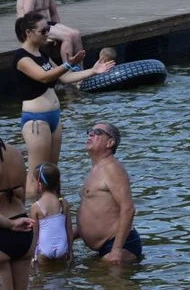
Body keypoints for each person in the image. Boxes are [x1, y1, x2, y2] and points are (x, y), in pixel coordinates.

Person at [12, 13, 114, 196]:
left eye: (48, 29)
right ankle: (32, 218)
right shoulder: (21, 58)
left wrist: (93, 70)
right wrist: (67, 64)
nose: (47, 34)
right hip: (37, 120)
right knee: (37, 176)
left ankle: (54, 213)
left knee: (51, 173)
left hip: (54, 118)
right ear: (28, 32)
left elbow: (65, 78)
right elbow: (43, 77)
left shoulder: (41, 53)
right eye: (43, 31)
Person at [77, 123, 142, 264]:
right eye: (90, 131)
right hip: (105, 246)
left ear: (110, 142)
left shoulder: (112, 168)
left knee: (106, 279)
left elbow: (128, 208)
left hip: (120, 245)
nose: (91, 134)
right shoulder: (95, 169)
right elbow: (96, 212)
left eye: (98, 132)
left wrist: (116, 251)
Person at [0, 139, 35, 290]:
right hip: (24, 229)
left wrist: (9, 224)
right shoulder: (14, 153)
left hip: (5, 230)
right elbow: (21, 195)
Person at [16, 0, 83, 63]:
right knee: (68, 36)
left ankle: (80, 70)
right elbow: (28, 18)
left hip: (45, 24)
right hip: (32, 28)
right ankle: (67, 70)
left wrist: (59, 29)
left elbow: (54, 13)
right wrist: (44, 36)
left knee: (76, 34)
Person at [29, 163, 72, 264]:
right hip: (62, 249)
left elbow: (35, 234)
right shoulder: (63, 203)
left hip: (44, 250)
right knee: (61, 275)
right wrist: (70, 251)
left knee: (42, 276)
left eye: (33, 182)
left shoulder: (36, 207)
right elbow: (69, 230)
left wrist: (32, 256)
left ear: (39, 184)